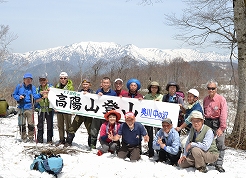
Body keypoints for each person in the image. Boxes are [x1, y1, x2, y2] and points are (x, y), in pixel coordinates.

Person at [203, 80, 228, 173]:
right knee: (209, 144)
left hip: (217, 123)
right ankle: (211, 161)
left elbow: (224, 114)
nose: (211, 90)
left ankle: (219, 164)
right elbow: (204, 113)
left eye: (213, 88)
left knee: (220, 144)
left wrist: (222, 128)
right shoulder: (205, 99)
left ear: (216, 89)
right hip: (207, 123)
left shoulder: (221, 99)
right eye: (209, 88)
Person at [12, 73, 43, 142]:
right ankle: (23, 137)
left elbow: (35, 96)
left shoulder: (33, 87)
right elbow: (14, 94)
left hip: (29, 107)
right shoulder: (19, 86)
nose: (28, 80)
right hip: (21, 107)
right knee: (21, 123)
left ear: (31, 80)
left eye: (30, 79)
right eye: (27, 79)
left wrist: (40, 95)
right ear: (24, 79)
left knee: (31, 123)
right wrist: (18, 97)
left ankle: (31, 136)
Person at [65, 79, 94, 147]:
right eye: (84, 84)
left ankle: (91, 145)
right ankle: (68, 142)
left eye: (86, 84)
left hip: (88, 114)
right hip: (79, 114)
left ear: (89, 85)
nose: (85, 86)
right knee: (72, 128)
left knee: (90, 130)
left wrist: (89, 95)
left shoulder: (93, 93)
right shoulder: (78, 92)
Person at [90, 77, 117, 149]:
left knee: (107, 131)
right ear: (101, 83)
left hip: (107, 116)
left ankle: (109, 146)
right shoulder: (98, 91)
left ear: (110, 84)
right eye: (104, 83)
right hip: (98, 114)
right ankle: (92, 146)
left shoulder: (113, 93)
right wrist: (97, 95)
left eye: (107, 83)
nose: (105, 84)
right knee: (94, 130)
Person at [143, 81, 163, 157]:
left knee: (159, 134)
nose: (154, 89)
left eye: (156, 87)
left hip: (158, 118)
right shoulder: (146, 96)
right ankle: (150, 150)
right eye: (152, 87)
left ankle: (158, 150)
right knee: (149, 134)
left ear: (158, 88)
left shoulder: (161, 96)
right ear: (150, 88)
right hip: (149, 118)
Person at [55, 72, 74, 146]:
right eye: (61, 78)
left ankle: (69, 140)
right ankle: (61, 139)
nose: (63, 80)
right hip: (59, 108)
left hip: (67, 109)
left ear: (67, 79)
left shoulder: (70, 87)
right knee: (60, 125)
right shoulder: (57, 86)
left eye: (65, 78)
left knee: (68, 125)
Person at [35, 73, 54, 144]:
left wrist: (48, 94)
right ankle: (40, 140)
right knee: (40, 126)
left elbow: (54, 97)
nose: (43, 81)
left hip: (49, 109)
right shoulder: (38, 89)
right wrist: (42, 97)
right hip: (41, 109)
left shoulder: (51, 88)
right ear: (39, 81)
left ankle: (49, 140)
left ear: (47, 80)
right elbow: (35, 100)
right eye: (41, 80)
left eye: (44, 80)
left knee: (50, 125)